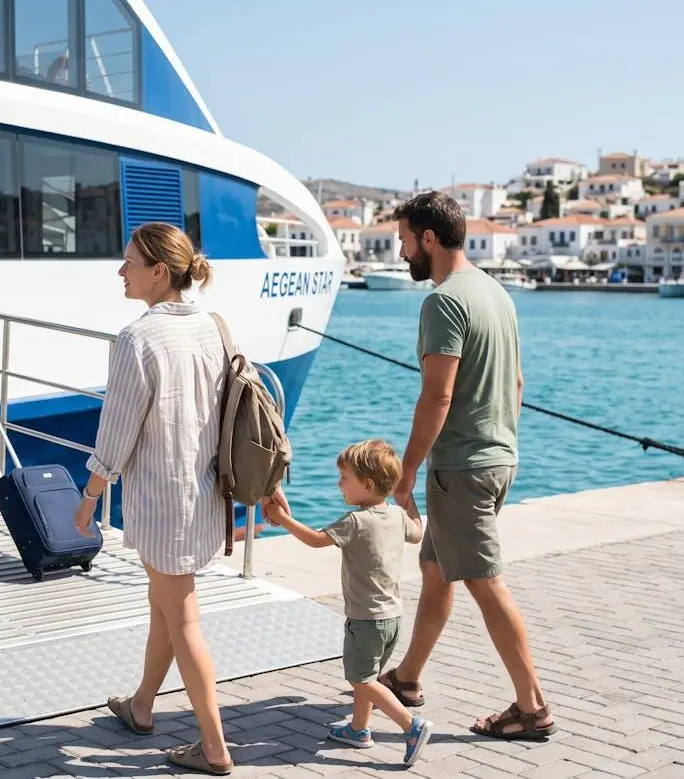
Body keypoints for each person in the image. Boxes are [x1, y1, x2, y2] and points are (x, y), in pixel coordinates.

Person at [75, 222, 282, 776]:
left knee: (183, 615)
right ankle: (143, 706)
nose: (121, 272)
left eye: (129, 264)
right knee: (165, 604)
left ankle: (213, 747)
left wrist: (90, 494)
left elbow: (116, 432)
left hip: (163, 502)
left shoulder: (138, 338)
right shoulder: (214, 327)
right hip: (206, 495)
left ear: (158, 272)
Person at [377, 191, 556, 740]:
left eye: (406, 240)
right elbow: (518, 382)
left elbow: (438, 397)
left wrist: (405, 474)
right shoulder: (495, 293)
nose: (403, 251)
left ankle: (532, 708)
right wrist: (499, 444)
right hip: (498, 457)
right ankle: (407, 679)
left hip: (462, 468)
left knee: (483, 580)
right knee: (436, 571)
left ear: (429, 239)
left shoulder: (444, 301)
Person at [264, 440, 433, 767]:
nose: (339, 484)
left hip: (365, 619)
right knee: (366, 673)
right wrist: (406, 498)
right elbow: (418, 532)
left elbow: (315, 540)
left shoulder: (355, 521)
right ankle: (358, 729)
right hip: (393, 618)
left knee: (362, 679)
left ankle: (410, 727)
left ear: (367, 485)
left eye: (344, 478)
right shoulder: (396, 516)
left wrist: (281, 517)